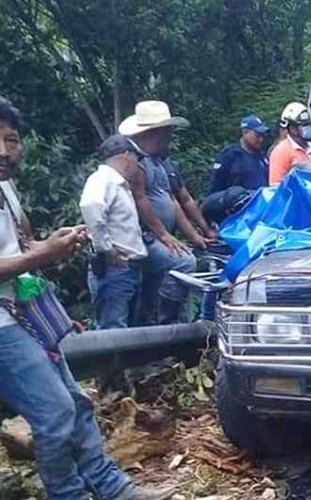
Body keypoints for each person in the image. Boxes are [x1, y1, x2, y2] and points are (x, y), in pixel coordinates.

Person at [0, 97, 173, 500]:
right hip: (3, 329)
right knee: (55, 412)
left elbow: (20, 246)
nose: (4, 152)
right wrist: (41, 254)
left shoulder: (6, 187)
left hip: (23, 314)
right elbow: (27, 255)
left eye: (11, 140)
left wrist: (54, 244)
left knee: (75, 402)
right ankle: (69, 494)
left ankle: (111, 486)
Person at [119, 100, 199, 325]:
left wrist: (194, 234)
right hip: (145, 236)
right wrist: (162, 234)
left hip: (158, 234)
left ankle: (151, 334)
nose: (169, 136)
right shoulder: (135, 161)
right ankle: (169, 320)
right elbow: (140, 200)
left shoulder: (159, 162)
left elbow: (173, 200)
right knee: (184, 263)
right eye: (166, 131)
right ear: (153, 133)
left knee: (149, 289)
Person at [80, 135, 148, 329]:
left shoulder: (118, 184)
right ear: (126, 156)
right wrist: (106, 248)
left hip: (126, 267)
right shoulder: (103, 179)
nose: (139, 165)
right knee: (113, 328)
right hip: (114, 268)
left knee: (123, 328)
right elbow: (91, 206)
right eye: (137, 159)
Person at [209, 115, 270, 194]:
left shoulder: (262, 156)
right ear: (245, 132)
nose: (261, 139)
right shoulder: (229, 156)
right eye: (257, 135)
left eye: (262, 135)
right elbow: (216, 187)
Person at [268, 102, 311, 185]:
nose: (308, 128)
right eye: (304, 125)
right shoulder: (281, 152)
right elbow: (275, 186)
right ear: (292, 128)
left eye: (309, 124)